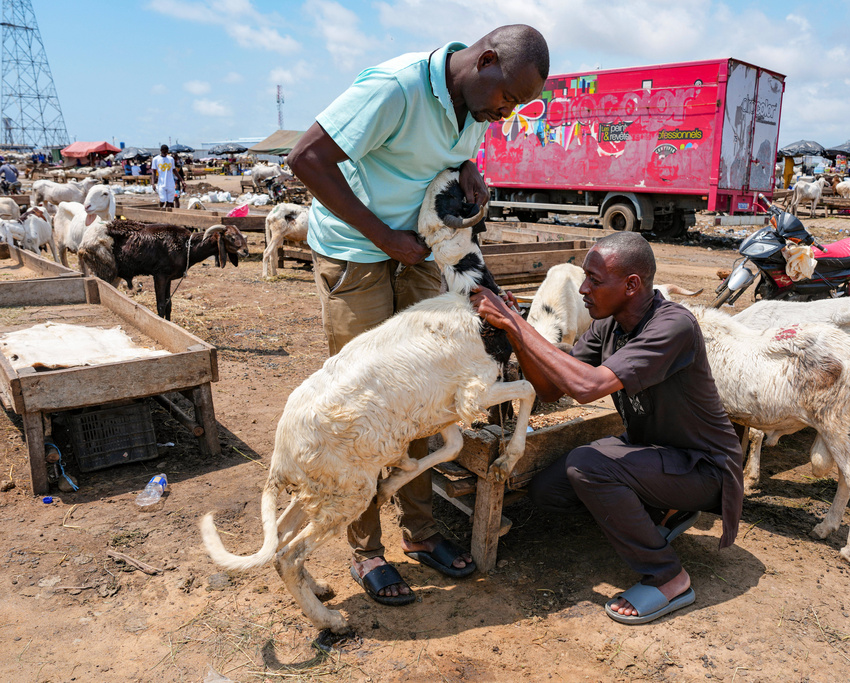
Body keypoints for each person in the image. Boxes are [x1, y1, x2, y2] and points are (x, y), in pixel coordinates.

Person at [286, 25, 549, 606]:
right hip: (358, 253)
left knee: (426, 396)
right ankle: (366, 551)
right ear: (484, 62)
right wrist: (384, 235)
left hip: (416, 250)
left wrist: (469, 172)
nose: (505, 116)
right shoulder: (396, 87)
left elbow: (452, 156)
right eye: (508, 101)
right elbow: (305, 158)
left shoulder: (477, 104)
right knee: (366, 402)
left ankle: (421, 534)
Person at [471, 232, 745, 624]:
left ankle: (669, 575)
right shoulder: (609, 326)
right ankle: (653, 512)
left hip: (704, 468)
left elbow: (587, 387)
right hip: (652, 453)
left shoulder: (674, 326)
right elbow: (550, 390)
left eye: (595, 281)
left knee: (587, 465)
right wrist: (517, 337)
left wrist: (515, 320)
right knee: (548, 491)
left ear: (632, 285)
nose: (583, 289)